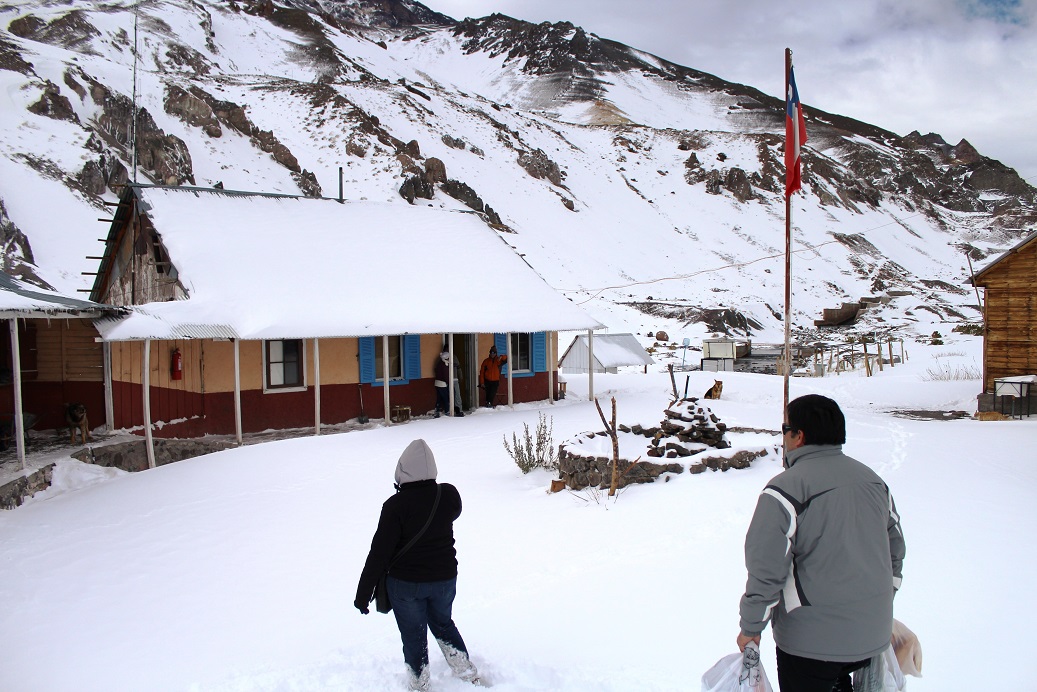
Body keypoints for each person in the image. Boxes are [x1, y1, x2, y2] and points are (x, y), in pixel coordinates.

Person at [736, 394, 905, 692]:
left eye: (785, 429)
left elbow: (766, 569)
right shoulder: (873, 482)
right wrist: (878, 603)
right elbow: (895, 550)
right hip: (873, 633)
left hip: (810, 644)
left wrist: (751, 627)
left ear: (799, 436)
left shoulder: (785, 490)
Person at [355, 439, 480, 691]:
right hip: (444, 579)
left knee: (413, 634)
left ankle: (419, 684)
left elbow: (379, 553)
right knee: (443, 624)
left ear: (402, 470)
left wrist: (363, 594)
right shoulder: (448, 494)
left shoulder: (395, 506)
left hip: (406, 585)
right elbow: (454, 512)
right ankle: (466, 672)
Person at [433, 351, 450, 418]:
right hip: (442, 384)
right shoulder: (444, 365)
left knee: (439, 398)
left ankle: (437, 410)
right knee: (446, 398)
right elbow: (445, 376)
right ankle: (447, 411)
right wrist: (448, 382)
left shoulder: (439, 363)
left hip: (437, 383)